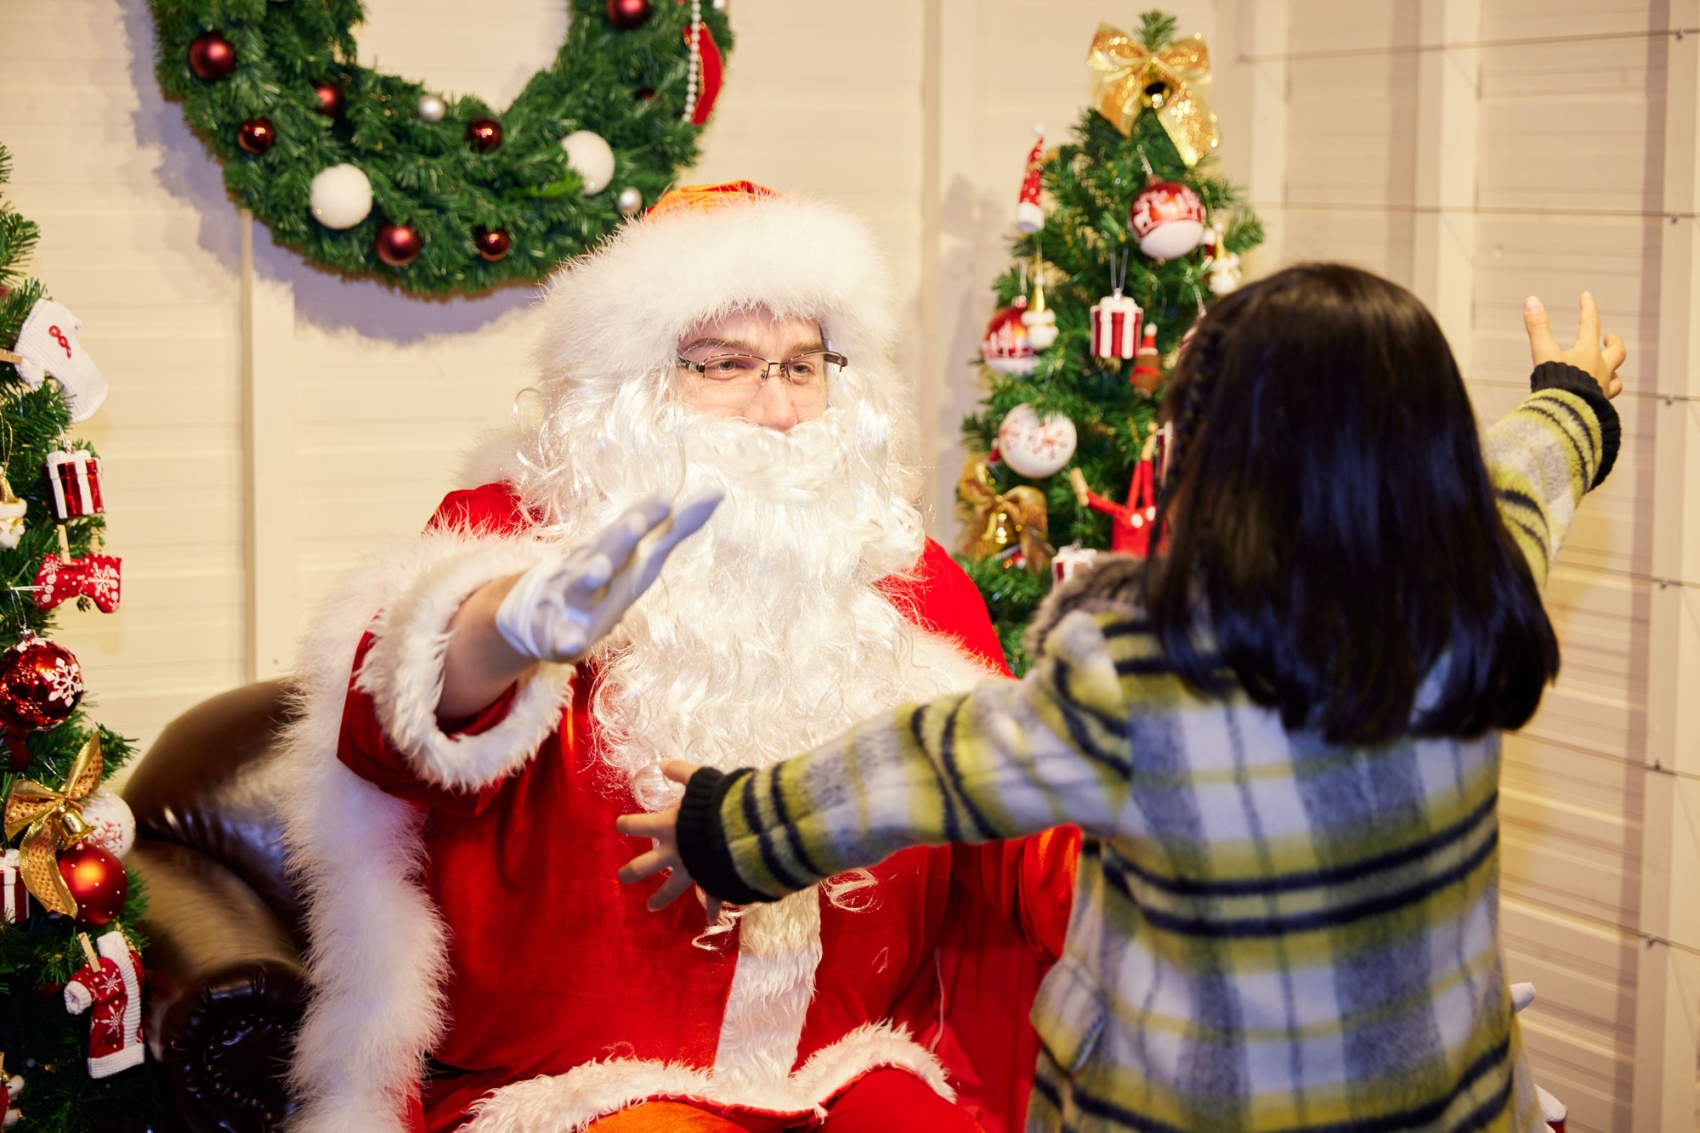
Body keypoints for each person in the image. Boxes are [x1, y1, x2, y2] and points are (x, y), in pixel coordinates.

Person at [617, 266, 1625, 1133]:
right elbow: (1518, 485)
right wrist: (1570, 403)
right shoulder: (1468, 594)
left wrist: (724, 827)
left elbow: (921, 766)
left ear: (1214, 457)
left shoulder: (1148, 682)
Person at [277, 181, 1077, 1133]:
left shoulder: (911, 578)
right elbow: (386, 739)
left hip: (848, 1069)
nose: (775, 410)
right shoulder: (509, 535)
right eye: (725, 365)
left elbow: (1008, 817)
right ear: (637, 382)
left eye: (800, 366)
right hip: (580, 1087)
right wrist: (509, 628)